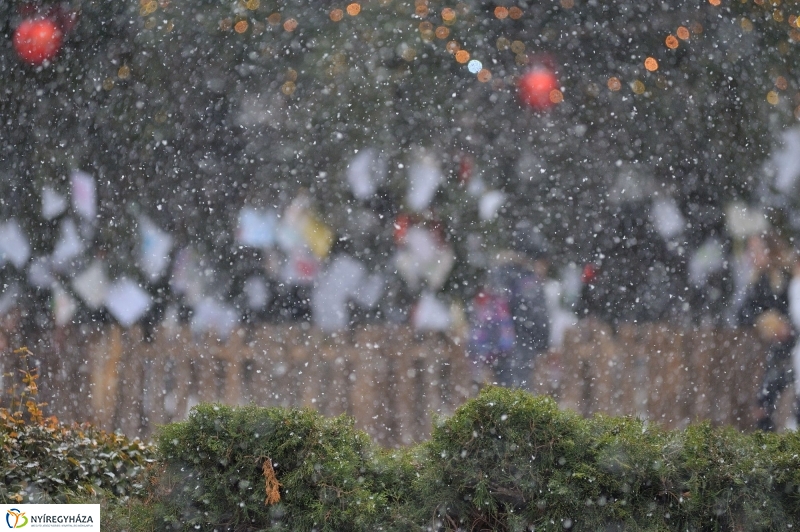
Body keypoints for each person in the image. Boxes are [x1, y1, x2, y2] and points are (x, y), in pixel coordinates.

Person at [468, 225, 551, 389]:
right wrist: (543, 342)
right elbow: (535, 318)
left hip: (495, 347)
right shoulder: (527, 279)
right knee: (519, 398)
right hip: (520, 349)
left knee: (497, 396)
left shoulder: (498, 272)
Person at [737, 232, 796, 431]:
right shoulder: (757, 281)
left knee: (775, 401)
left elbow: (793, 313)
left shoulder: (787, 279)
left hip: (789, 354)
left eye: (756, 250)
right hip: (771, 355)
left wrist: (784, 325)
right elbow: (742, 313)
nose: (751, 256)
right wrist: (763, 319)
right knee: (763, 406)